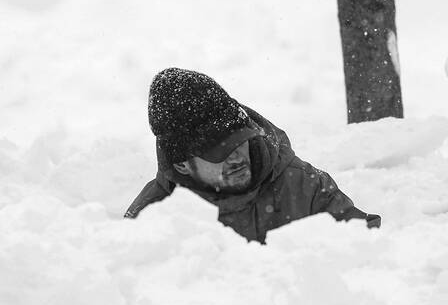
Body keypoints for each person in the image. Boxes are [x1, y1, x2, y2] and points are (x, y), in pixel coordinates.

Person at [125, 67, 379, 243]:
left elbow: (371, 248)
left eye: (239, 142)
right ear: (182, 165)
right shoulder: (151, 218)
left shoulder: (303, 186)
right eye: (219, 153)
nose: (236, 157)